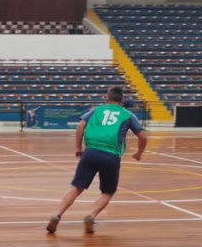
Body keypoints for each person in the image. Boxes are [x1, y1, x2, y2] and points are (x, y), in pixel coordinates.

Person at [46, 87, 147, 235]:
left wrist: (78, 148)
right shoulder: (128, 114)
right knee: (107, 192)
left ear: (107, 98)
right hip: (111, 156)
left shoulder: (96, 110)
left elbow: (80, 126)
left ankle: (58, 214)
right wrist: (139, 153)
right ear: (122, 100)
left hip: (91, 152)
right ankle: (90, 217)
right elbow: (143, 137)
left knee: (77, 187)